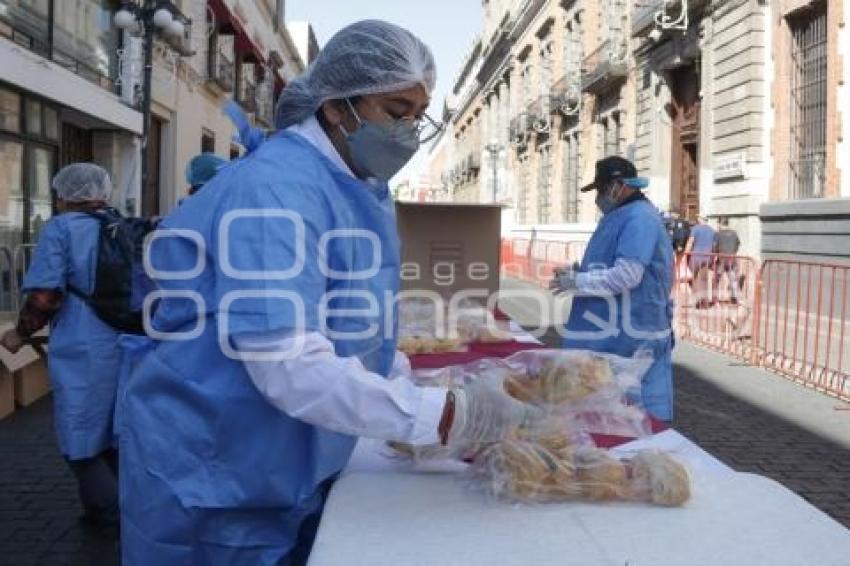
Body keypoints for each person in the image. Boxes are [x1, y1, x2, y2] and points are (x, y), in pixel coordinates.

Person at [119, 20, 537, 565]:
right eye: (395, 111)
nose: (409, 132)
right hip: (216, 463)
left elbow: (356, 326)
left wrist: (409, 384)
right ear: (337, 107)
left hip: (281, 453)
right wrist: (446, 415)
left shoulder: (354, 186)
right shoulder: (277, 191)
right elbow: (287, 363)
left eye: (417, 115)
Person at [0, 163, 121, 538]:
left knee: (79, 438)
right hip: (123, 342)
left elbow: (46, 294)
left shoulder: (61, 229)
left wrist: (19, 333)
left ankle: (111, 513)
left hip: (83, 343)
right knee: (111, 432)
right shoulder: (120, 225)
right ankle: (104, 505)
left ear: (65, 193)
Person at [550, 156, 675, 421]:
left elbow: (627, 276)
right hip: (614, 329)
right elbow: (611, 264)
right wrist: (577, 274)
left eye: (601, 189)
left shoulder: (639, 219)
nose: (598, 197)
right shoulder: (623, 215)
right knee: (612, 412)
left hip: (627, 334)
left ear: (618, 186)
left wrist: (578, 282)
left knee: (626, 416)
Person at [685, 216, 716, 308]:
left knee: (692, 279)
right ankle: (705, 302)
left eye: (698, 217)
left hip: (696, 257)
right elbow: (714, 245)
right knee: (704, 280)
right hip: (707, 258)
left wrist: (686, 253)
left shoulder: (695, 228)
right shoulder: (712, 230)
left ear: (700, 219)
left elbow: (691, 241)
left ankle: (695, 300)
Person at [713, 217, 741, 305]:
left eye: (718, 224)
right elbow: (738, 244)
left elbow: (715, 246)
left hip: (721, 260)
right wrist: (733, 252)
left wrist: (716, 253)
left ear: (720, 224)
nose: (717, 226)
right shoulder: (734, 233)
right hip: (732, 259)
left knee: (716, 280)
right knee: (733, 279)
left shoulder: (718, 234)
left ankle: (715, 300)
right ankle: (735, 298)